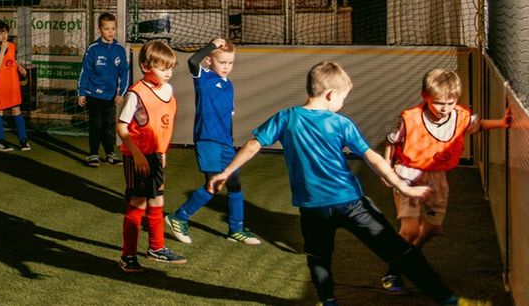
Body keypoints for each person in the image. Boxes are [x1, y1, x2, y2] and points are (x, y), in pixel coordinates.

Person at [208, 61, 489, 306]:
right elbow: (372, 157)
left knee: (318, 257)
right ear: (331, 94)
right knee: (398, 251)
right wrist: (403, 186)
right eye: (343, 97)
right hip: (351, 204)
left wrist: (226, 172)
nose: (342, 103)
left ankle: (328, 301)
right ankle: (447, 300)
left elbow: (253, 145)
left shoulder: (286, 117)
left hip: (312, 208)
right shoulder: (341, 123)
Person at [379, 69, 514, 295]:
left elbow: (476, 124)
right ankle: (393, 271)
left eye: (450, 103)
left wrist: (501, 122)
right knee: (410, 230)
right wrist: (386, 169)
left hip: (437, 176)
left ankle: (410, 257)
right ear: (425, 96)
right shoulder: (409, 118)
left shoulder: (460, 115)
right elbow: (391, 142)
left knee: (433, 229)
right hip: (408, 175)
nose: (445, 108)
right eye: (439, 103)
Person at [166, 38, 259, 245]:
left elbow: (228, 117)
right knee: (214, 184)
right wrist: (212, 46)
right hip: (208, 140)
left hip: (226, 143)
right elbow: (192, 61)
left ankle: (236, 229)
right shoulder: (204, 77)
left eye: (230, 62)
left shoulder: (229, 85)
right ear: (209, 61)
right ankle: (178, 217)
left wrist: (230, 142)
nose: (227, 67)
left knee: (234, 183)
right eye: (222, 62)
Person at [116, 39, 186, 271]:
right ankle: (127, 256)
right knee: (138, 202)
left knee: (157, 200)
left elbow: (162, 126)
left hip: (155, 156)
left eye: (170, 68)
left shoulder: (168, 90)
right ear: (146, 67)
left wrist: (161, 152)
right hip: (138, 157)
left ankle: (156, 248)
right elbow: (121, 127)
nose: (168, 73)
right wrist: (137, 155)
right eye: (163, 68)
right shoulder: (136, 94)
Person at [77, 12, 130, 166]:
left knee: (108, 125)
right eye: (107, 29)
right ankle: (93, 154)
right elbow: (85, 72)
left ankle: (110, 153)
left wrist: (121, 93)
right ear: (100, 29)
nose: (110, 32)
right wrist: (81, 92)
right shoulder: (93, 49)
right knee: (96, 124)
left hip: (110, 96)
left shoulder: (119, 49)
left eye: (113, 28)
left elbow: (125, 73)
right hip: (93, 94)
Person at [0, 20, 30, 151]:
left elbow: (12, 60)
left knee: (17, 110)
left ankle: (23, 140)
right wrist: (3, 50)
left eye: (5, 32)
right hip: (0, 85)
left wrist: (19, 68)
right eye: (0, 33)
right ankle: (0, 142)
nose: (3, 35)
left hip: (12, 84)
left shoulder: (11, 46)